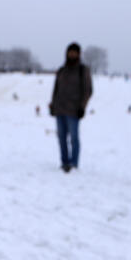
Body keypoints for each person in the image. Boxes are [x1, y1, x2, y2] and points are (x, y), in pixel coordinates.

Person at [49, 42, 93, 172]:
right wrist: (52, 105)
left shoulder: (83, 70)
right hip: (59, 109)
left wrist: (82, 106)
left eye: (75, 52)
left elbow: (88, 90)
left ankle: (74, 163)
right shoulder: (62, 70)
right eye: (70, 52)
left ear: (79, 54)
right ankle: (64, 162)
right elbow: (56, 89)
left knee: (74, 138)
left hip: (74, 110)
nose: (72, 54)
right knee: (61, 138)